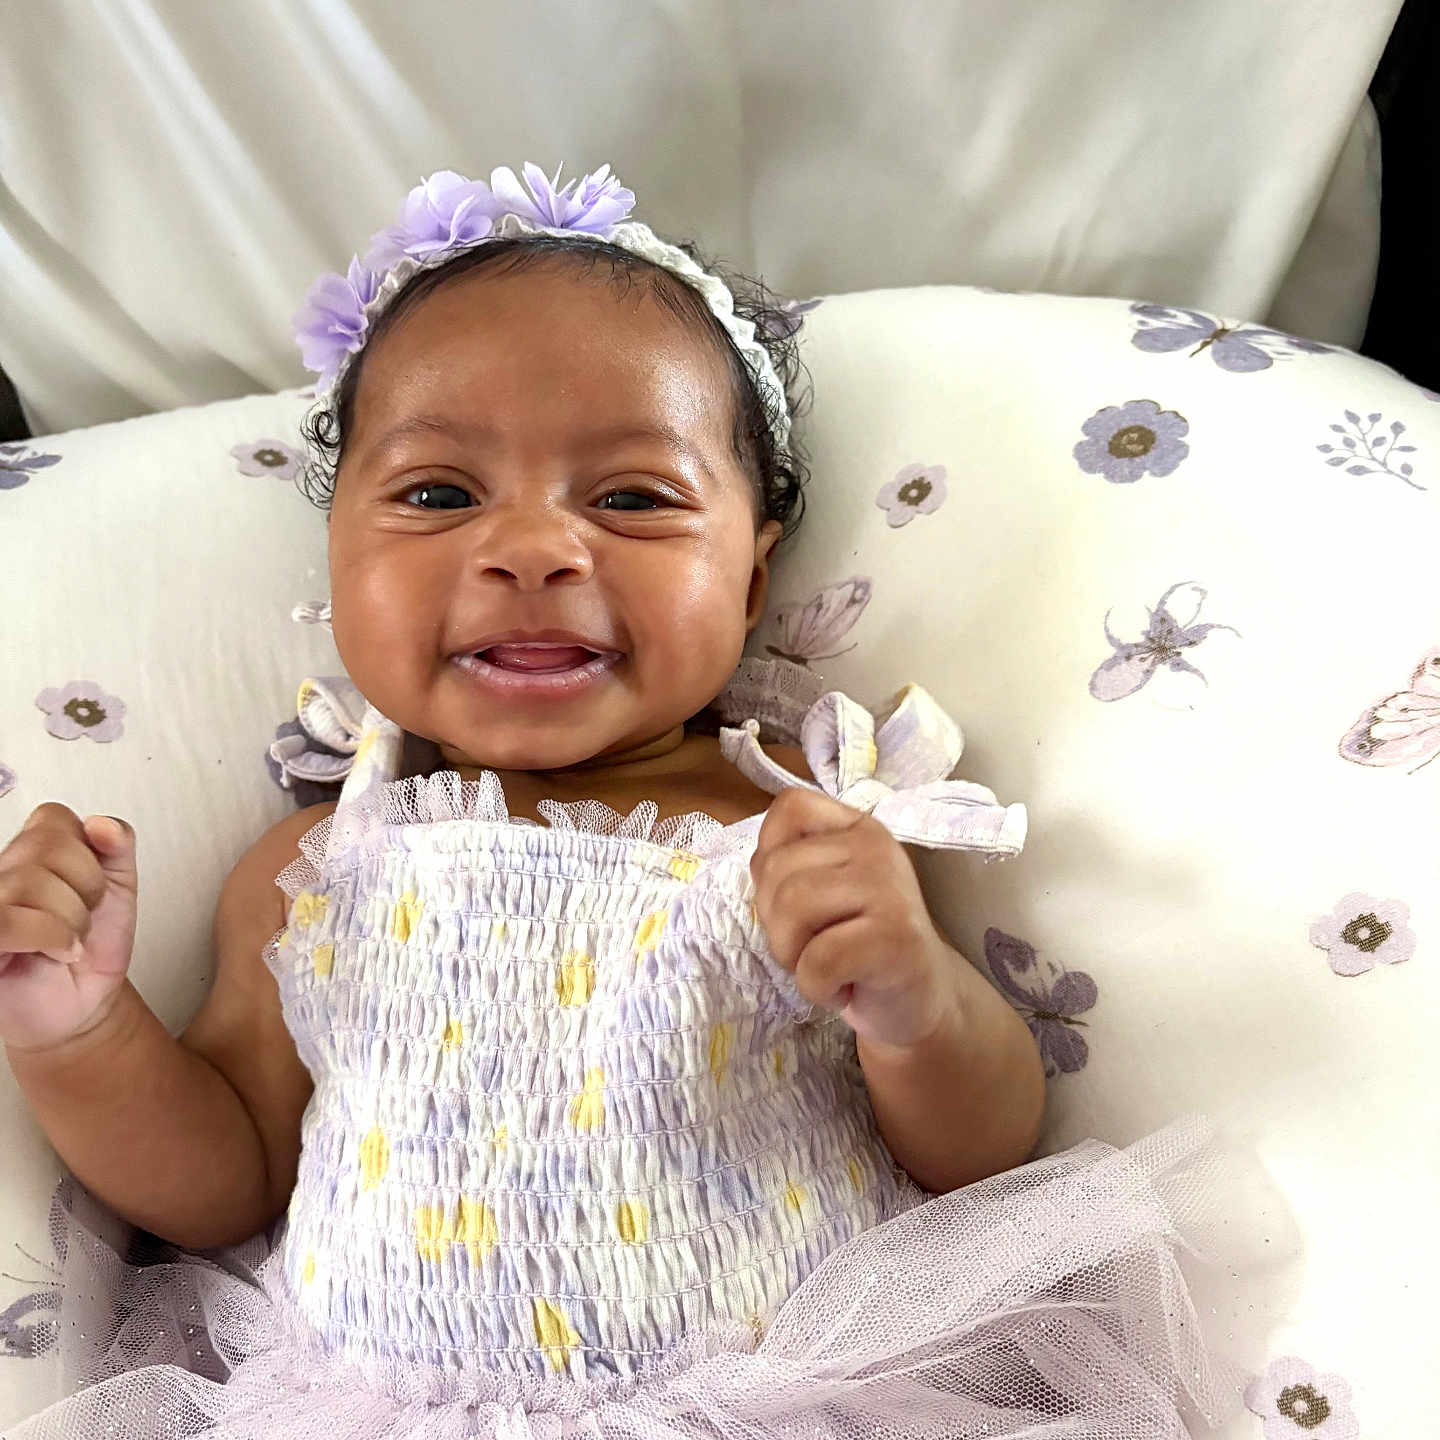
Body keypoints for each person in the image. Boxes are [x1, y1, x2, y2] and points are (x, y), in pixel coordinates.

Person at [0, 164, 1238, 1437]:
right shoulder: (315, 867)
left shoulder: (795, 831)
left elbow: (977, 1158)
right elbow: (221, 1186)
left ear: (751, 583)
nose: (535, 549)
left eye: (632, 499)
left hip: (772, 1404)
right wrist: (77, 1030)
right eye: (438, 495)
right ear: (339, 560)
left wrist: (915, 1002)